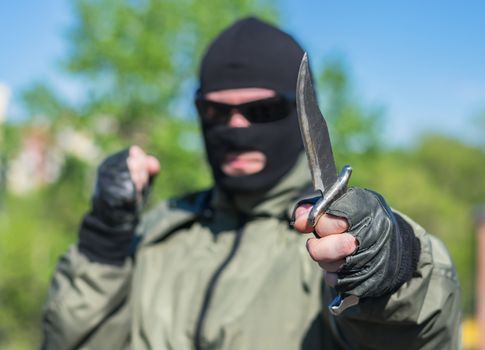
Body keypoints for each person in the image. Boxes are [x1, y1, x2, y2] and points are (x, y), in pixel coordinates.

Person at [41, 17, 461, 349]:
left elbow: (417, 336)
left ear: (300, 115)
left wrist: (395, 267)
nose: (236, 128)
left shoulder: (332, 240)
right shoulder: (157, 235)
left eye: (262, 110)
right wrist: (105, 238)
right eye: (215, 113)